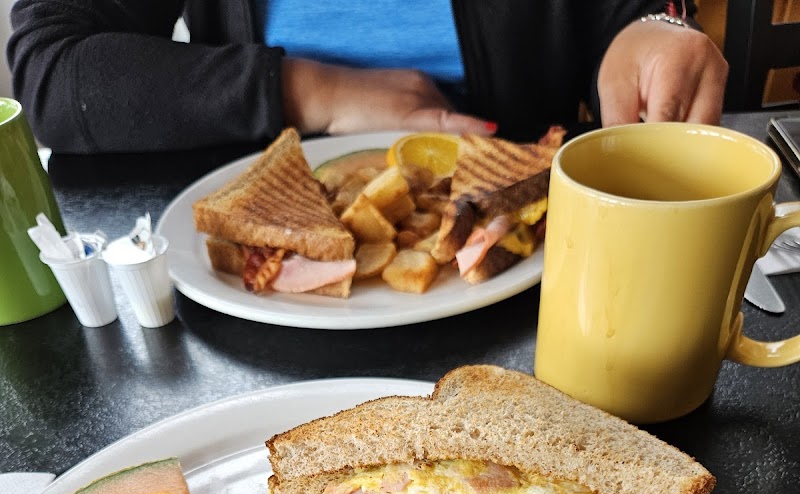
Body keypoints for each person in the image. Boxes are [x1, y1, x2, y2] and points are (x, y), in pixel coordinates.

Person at [7, 0, 728, 155]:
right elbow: (55, 71)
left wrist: (655, 27)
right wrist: (312, 92)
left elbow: (634, 13)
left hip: (534, 284)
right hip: (250, 295)